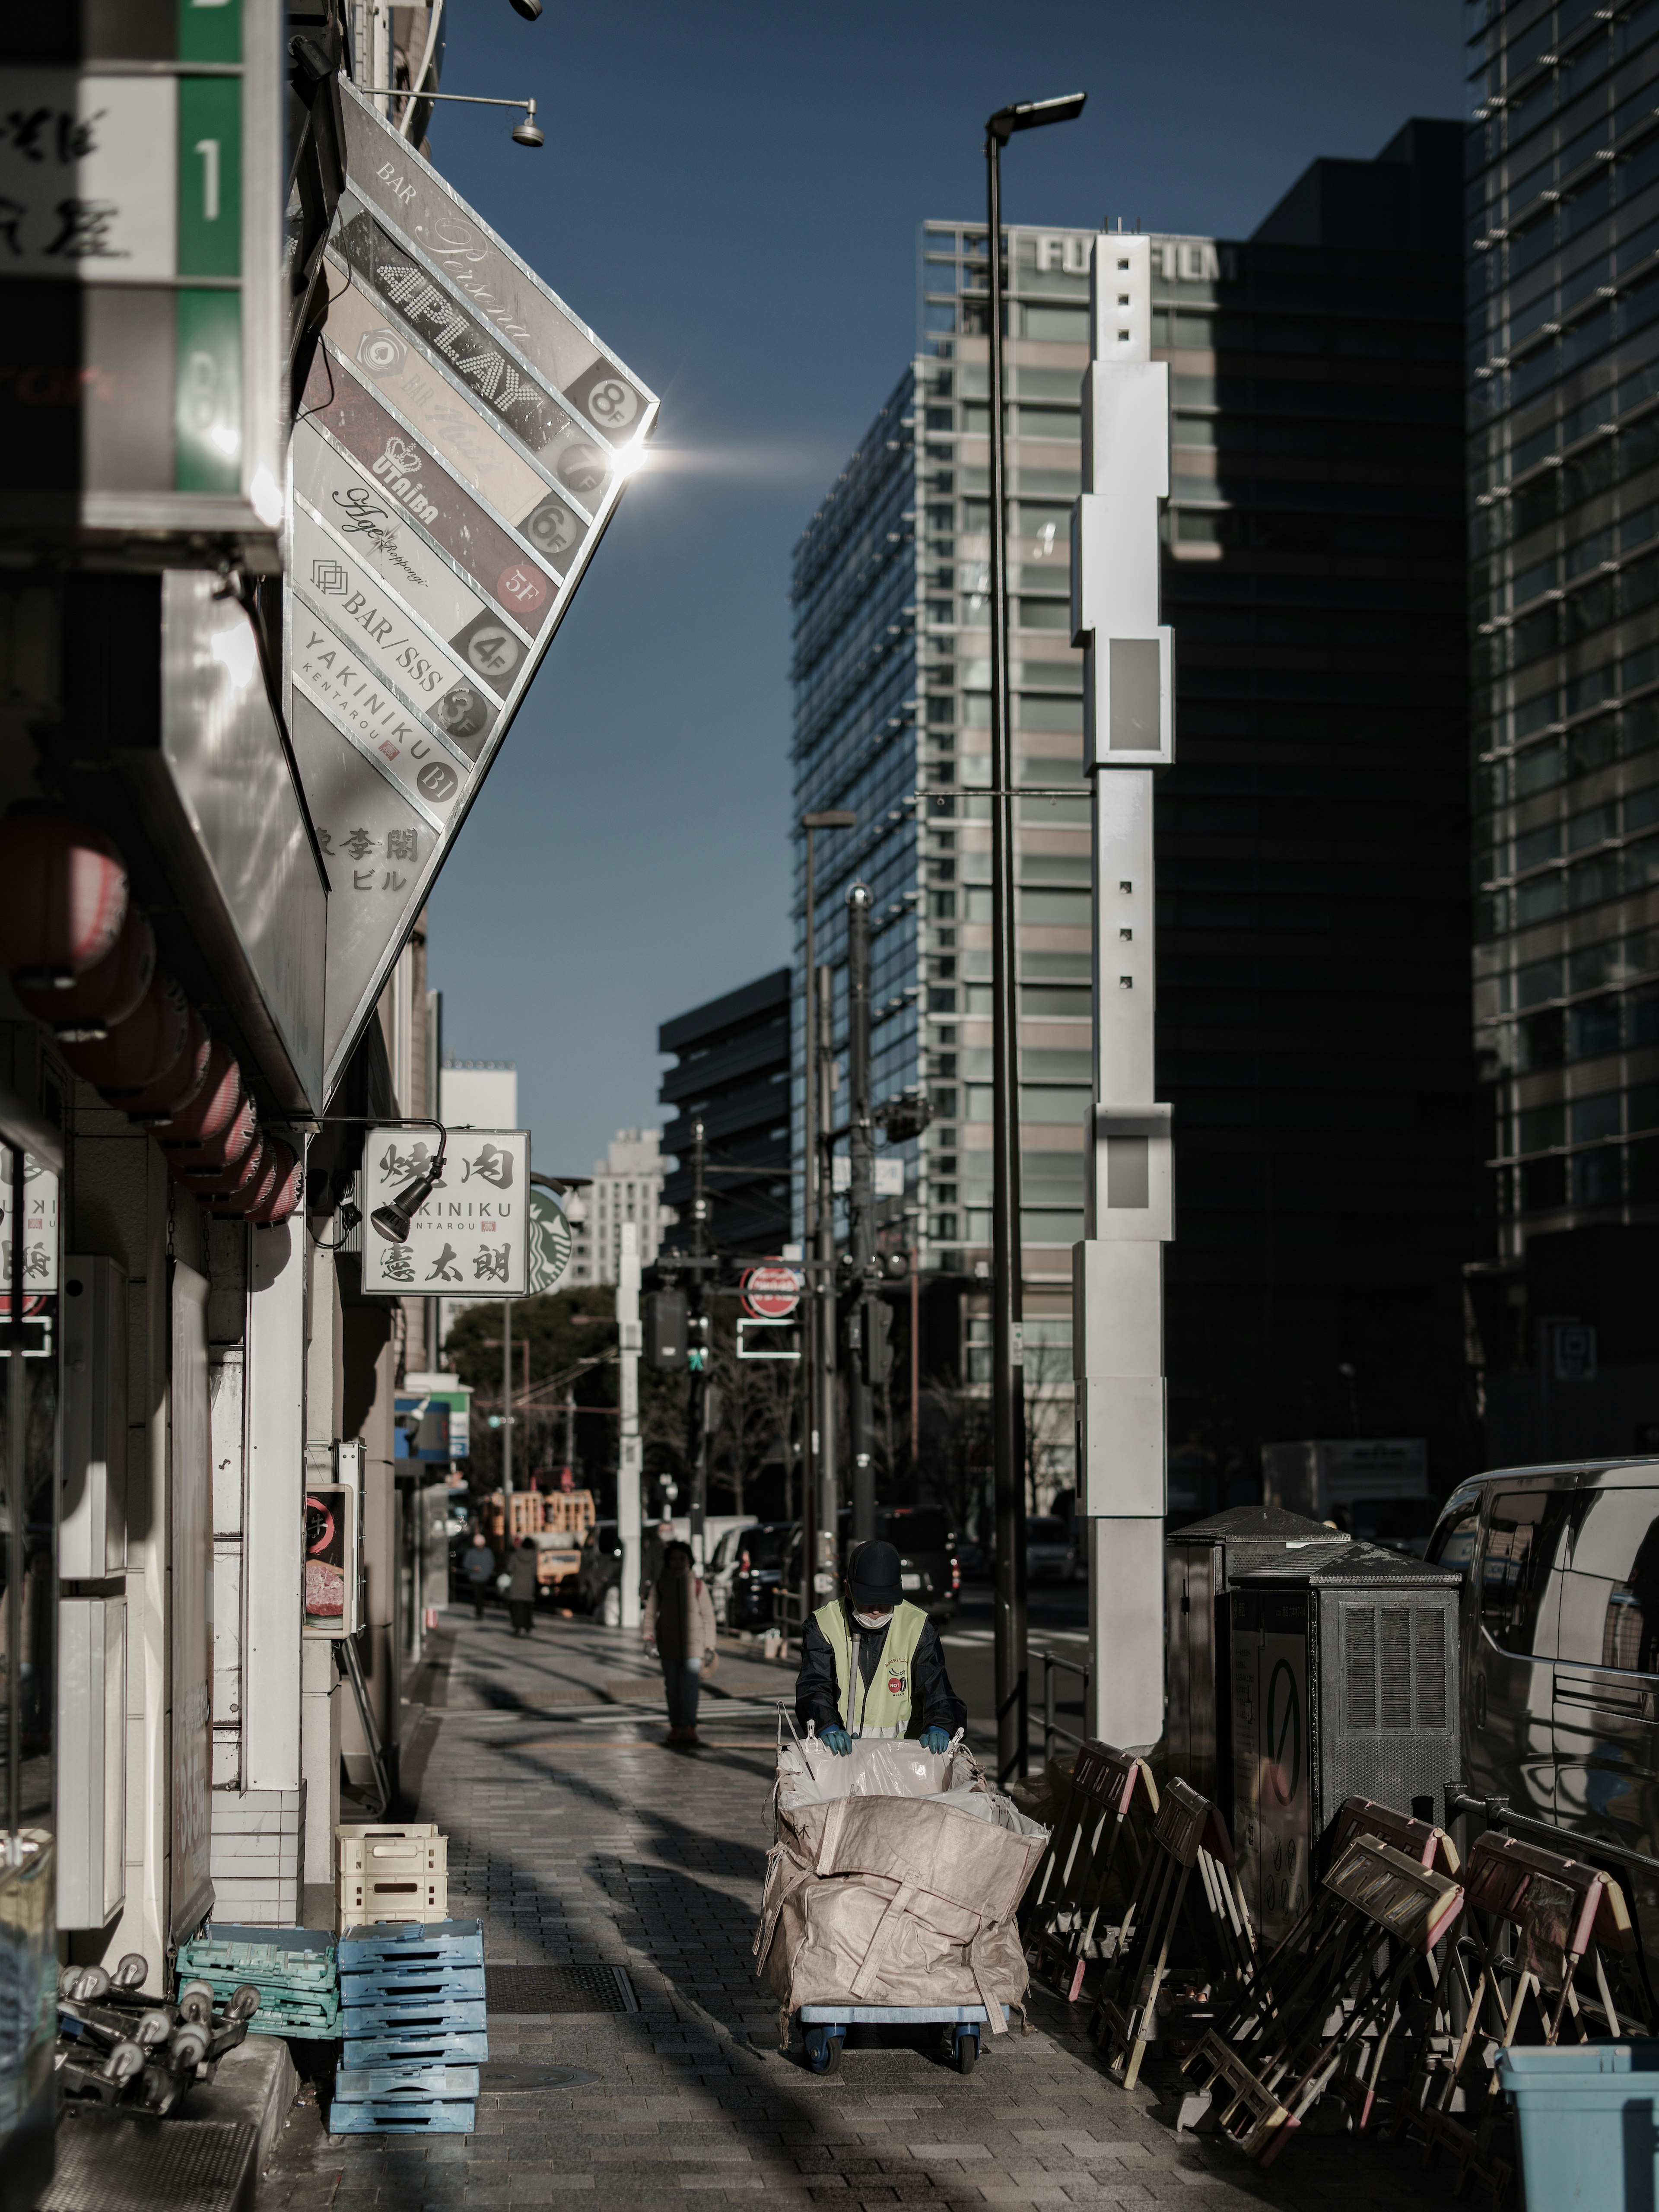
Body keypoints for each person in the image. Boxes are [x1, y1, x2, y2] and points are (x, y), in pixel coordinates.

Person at [795, 1539, 966, 1753]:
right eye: (868, 1603)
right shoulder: (823, 1625)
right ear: (848, 1590)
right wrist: (826, 1725)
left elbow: (936, 1686)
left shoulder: (918, 1625)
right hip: (841, 1754)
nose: (876, 1611)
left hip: (903, 1756)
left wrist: (940, 1725)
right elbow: (814, 1685)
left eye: (885, 1603)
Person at [642, 1539, 716, 1746]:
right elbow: (650, 1614)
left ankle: (690, 1726)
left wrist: (709, 1646)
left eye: (682, 1559)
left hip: (695, 1646)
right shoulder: (660, 1585)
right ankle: (676, 1726)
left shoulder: (698, 1585)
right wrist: (648, 1638)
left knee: (691, 1687)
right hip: (668, 1645)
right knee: (673, 1687)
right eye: (674, 1559)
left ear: (689, 1561)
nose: (677, 1563)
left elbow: (709, 1617)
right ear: (667, 1561)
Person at [505, 1535, 539, 1637]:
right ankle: (528, 1626)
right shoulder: (534, 1556)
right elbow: (535, 1572)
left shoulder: (515, 1555)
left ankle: (517, 1627)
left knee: (517, 1607)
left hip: (516, 1584)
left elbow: (510, 1569)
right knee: (527, 1606)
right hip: (529, 1584)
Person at [462, 1529, 496, 1621]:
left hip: (483, 1577)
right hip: (476, 1577)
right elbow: (466, 1564)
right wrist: (474, 1568)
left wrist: (487, 1572)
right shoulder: (472, 1552)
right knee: (478, 1596)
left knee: (481, 1595)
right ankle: (479, 1612)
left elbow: (491, 1564)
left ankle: (480, 1612)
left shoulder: (487, 1552)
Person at [640, 1516, 676, 1601]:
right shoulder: (654, 1547)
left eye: (668, 1531)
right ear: (658, 1533)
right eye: (663, 1531)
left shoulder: (679, 1547)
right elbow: (647, 1567)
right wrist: (642, 1590)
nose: (666, 1533)